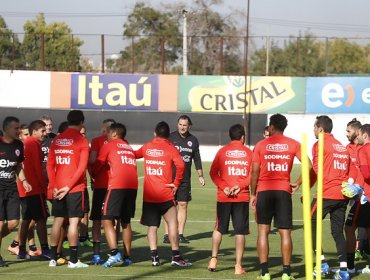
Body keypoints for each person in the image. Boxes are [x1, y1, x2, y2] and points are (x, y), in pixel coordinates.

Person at [250, 113, 303, 280]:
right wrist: (298, 182)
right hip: (283, 191)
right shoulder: (294, 144)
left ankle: (265, 273)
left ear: (271, 127)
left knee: (263, 231)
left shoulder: (260, 145)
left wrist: (252, 194)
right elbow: (309, 166)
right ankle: (286, 273)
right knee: (285, 233)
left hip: (264, 191)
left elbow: (254, 172)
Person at [135, 121, 191, 267]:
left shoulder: (147, 146)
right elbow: (181, 165)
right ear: (168, 136)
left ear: (155, 133)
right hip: (165, 194)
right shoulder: (170, 148)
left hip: (149, 195)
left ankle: (154, 258)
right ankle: (176, 256)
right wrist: (176, 183)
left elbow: (134, 155)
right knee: (173, 223)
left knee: (152, 226)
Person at [310, 115, 351, 280]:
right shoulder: (341, 146)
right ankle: (344, 271)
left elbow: (317, 169)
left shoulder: (319, 144)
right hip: (342, 195)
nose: (313, 130)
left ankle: (322, 263)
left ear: (320, 128)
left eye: (314, 127)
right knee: (337, 232)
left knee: (310, 224)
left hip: (326, 193)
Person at [208, 124, 253, 275]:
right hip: (241, 197)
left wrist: (224, 187)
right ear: (242, 137)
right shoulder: (248, 152)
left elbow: (213, 173)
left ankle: (213, 259)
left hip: (224, 196)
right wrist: (239, 186)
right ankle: (238, 266)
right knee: (240, 231)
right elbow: (253, 175)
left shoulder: (222, 151)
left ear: (230, 136)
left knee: (219, 228)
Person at [47, 110, 89, 268]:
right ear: (82, 122)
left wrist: (55, 185)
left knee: (57, 221)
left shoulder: (57, 139)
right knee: (73, 223)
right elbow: (82, 167)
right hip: (75, 188)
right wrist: (68, 187)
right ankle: (73, 260)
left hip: (58, 188)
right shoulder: (81, 140)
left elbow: (50, 166)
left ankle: (53, 258)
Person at [92, 123, 138, 267]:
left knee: (106, 218)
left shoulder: (109, 145)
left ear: (114, 134)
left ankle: (113, 254)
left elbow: (98, 163)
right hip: (132, 187)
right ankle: (128, 257)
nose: (106, 135)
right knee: (125, 222)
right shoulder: (128, 147)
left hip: (117, 185)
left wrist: (93, 175)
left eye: (108, 132)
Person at [163, 115, 205, 244]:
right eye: (180, 124)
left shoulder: (193, 140)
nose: (182, 127)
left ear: (189, 126)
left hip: (185, 179)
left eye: (185, 125)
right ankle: (167, 234)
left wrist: (200, 175)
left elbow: (196, 159)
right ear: (177, 125)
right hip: (170, 178)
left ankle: (180, 234)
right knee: (169, 206)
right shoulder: (170, 138)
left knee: (183, 204)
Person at [16, 120, 50, 260]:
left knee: (27, 219)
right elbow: (37, 169)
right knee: (41, 219)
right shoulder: (32, 144)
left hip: (25, 188)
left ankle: (22, 250)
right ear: (34, 131)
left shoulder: (28, 144)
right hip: (34, 188)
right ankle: (46, 250)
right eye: (42, 130)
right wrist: (44, 188)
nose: (45, 133)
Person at [0, 116, 29, 267]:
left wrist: (24, 181)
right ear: (6, 129)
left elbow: (18, 165)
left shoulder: (19, 145)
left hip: (12, 189)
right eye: (15, 128)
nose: (19, 131)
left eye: (19, 128)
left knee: (13, 223)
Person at [88, 118, 116, 265]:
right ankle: (116, 251)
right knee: (114, 219)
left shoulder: (97, 141)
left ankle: (97, 254)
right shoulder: (120, 142)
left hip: (100, 185)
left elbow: (92, 161)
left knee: (97, 219)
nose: (103, 131)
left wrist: (93, 175)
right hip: (115, 186)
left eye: (104, 129)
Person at [351, 124, 370, 274]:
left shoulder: (363, 150)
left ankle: (349, 266)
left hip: (367, 196)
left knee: (350, 227)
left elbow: (366, 174)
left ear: (364, 135)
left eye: (359, 134)